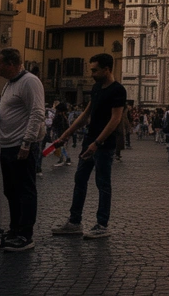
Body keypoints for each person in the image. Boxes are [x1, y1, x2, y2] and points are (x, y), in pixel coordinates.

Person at [48, 53, 124, 241]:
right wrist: (65, 136)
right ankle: (75, 222)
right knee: (80, 180)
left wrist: (97, 143)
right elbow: (85, 115)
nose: (91, 73)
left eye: (94, 70)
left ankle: (102, 225)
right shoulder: (97, 88)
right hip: (88, 142)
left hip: (104, 146)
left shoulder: (118, 91)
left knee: (103, 184)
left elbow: (115, 119)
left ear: (107, 69)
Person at [0, 48, 46, 252]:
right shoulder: (9, 84)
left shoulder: (29, 81)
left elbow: (37, 112)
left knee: (25, 191)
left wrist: (27, 142)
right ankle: (15, 229)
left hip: (21, 146)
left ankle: (26, 234)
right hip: (6, 145)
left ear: (12, 64)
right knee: (10, 190)